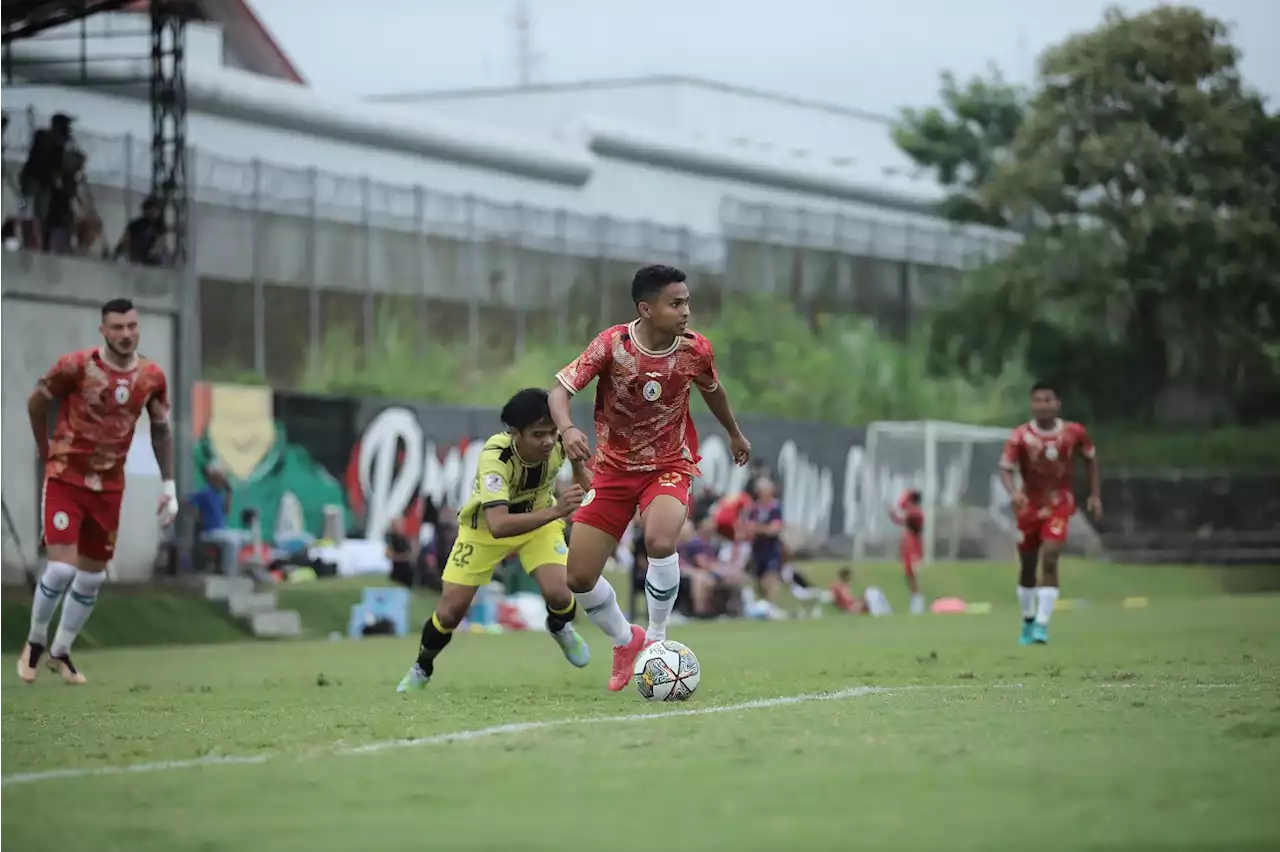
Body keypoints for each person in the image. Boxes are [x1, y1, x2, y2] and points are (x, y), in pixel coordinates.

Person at [550, 264, 751, 691]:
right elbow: (560, 392)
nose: (686, 312)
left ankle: (658, 642)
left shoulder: (695, 351)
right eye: (675, 304)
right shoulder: (612, 345)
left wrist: (733, 433)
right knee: (578, 577)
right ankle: (627, 641)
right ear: (646, 308)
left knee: (660, 540)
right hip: (612, 469)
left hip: (668, 465)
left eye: (687, 302)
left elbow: (713, 390)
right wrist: (567, 430)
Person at [18, 298, 178, 685]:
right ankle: (34, 644)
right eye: (118, 327)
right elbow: (36, 403)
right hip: (66, 479)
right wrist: (45, 451)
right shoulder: (75, 366)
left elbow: (160, 430)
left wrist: (168, 486)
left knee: (91, 578)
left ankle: (61, 651)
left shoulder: (151, 377)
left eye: (132, 326)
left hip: (109, 487)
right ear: (103, 331)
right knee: (60, 568)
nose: (126, 334)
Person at [397, 389, 593, 693]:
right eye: (537, 434)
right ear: (515, 434)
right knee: (450, 612)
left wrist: (598, 497)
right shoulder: (495, 456)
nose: (547, 441)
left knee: (560, 592)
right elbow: (499, 525)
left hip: (539, 525)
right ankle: (422, 667)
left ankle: (559, 626)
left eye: (551, 432)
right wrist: (558, 510)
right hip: (484, 531)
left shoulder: (561, 442)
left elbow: (584, 480)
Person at [999, 381, 1102, 645]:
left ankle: (1042, 626)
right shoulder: (1020, 436)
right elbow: (1006, 468)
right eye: (1037, 400)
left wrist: (1094, 495)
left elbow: (1090, 459)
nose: (1043, 405)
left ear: (1058, 404)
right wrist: (1013, 493)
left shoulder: (1073, 432)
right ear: (1031, 404)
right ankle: (1029, 620)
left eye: (1048, 400)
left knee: (1051, 555)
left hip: (1059, 503)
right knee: (1028, 566)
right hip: (1029, 506)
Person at [888, 489, 927, 614]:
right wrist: (892, 513)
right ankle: (915, 601)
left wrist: (895, 510)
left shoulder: (916, 512)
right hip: (909, 546)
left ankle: (918, 603)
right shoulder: (912, 512)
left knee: (913, 575)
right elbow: (900, 519)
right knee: (909, 576)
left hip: (914, 547)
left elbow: (904, 515)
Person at [749, 477, 784, 603]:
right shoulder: (755, 507)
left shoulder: (775, 507)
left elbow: (774, 529)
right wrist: (764, 529)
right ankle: (764, 604)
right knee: (758, 580)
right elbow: (749, 527)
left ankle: (771, 604)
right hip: (757, 548)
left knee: (770, 577)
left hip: (771, 549)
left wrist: (759, 529)